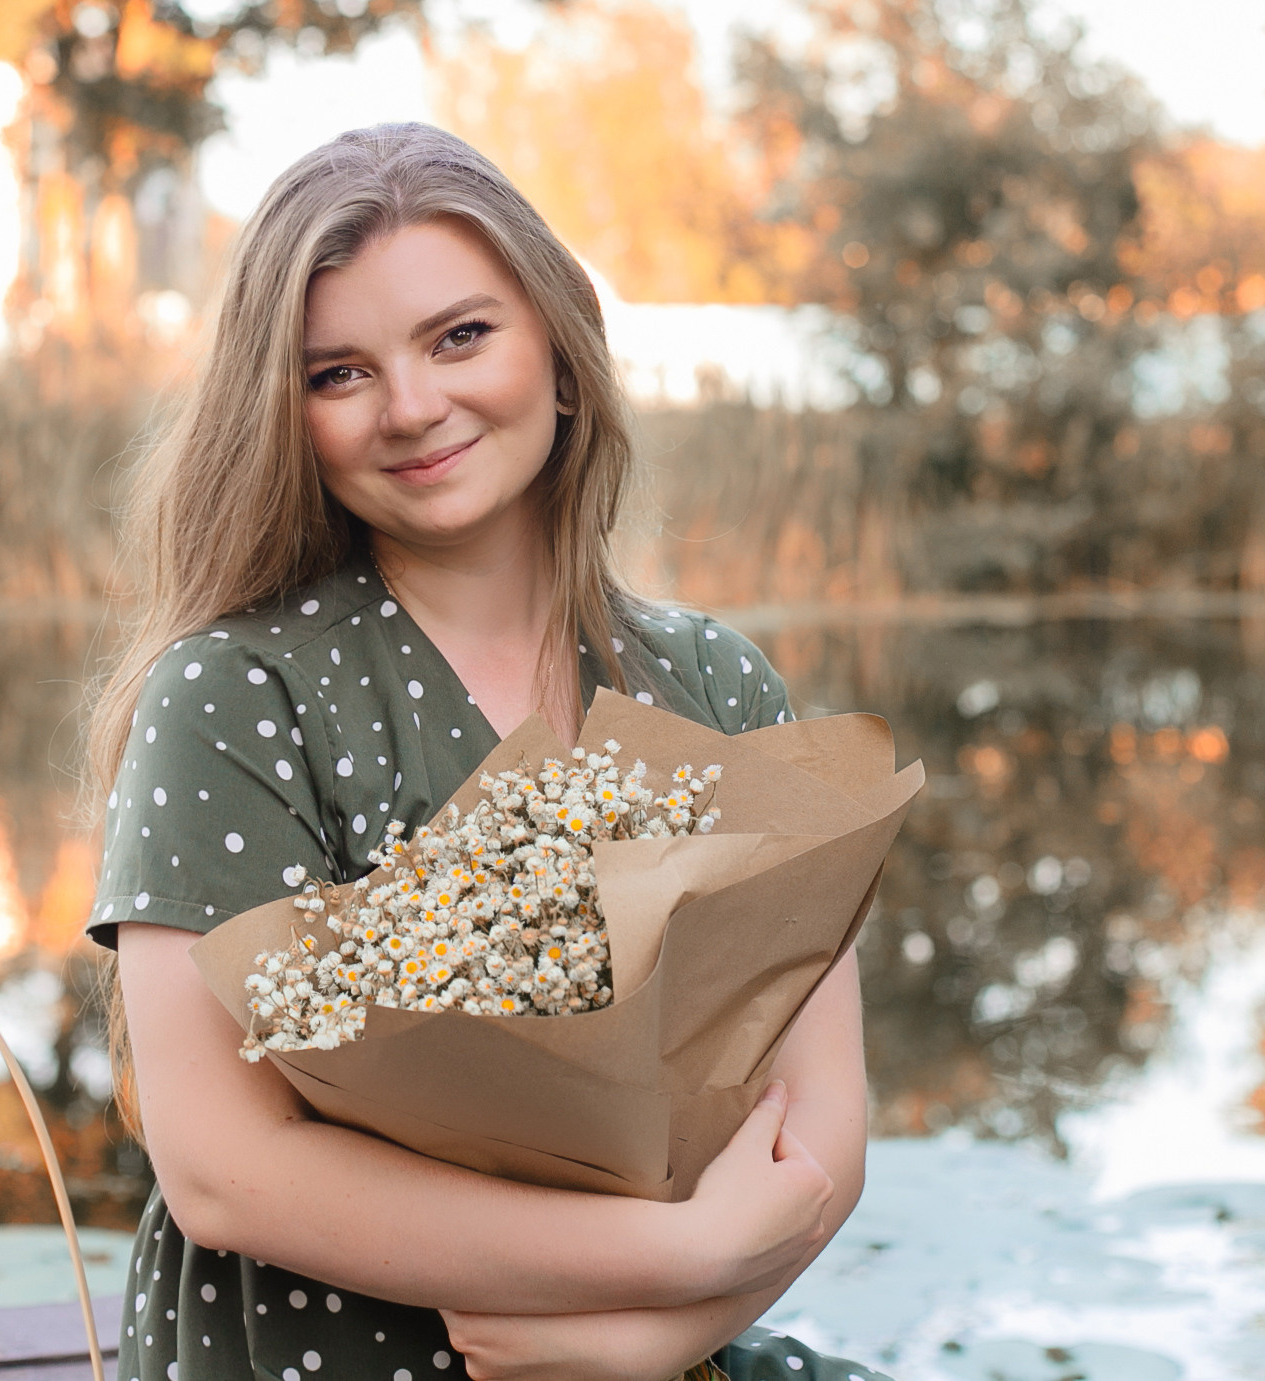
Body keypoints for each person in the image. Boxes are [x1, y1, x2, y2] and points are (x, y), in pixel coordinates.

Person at [84, 123, 885, 1381]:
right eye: (338, 373)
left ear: (560, 354)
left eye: (460, 336)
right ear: (283, 412)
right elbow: (223, 1172)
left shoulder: (715, 682)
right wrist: (671, 1256)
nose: (411, 407)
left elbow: (818, 1115)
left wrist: (659, 1336)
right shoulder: (238, 694)